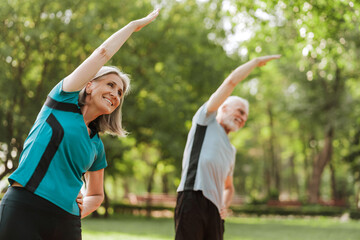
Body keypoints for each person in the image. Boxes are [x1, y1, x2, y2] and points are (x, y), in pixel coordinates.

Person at [0, 9, 160, 240]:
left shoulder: (97, 146)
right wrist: (133, 25)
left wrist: (78, 209)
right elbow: (102, 53)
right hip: (24, 208)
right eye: (111, 85)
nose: (115, 94)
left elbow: (96, 194)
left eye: (120, 93)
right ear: (89, 85)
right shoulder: (60, 102)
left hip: (66, 221)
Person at [174, 55, 281, 240]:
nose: (242, 118)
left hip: (215, 211)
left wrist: (224, 204)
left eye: (245, 117)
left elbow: (229, 187)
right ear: (223, 108)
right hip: (192, 198)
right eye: (240, 111)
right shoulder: (205, 120)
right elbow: (231, 82)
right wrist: (254, 63)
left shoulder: (231, 150)